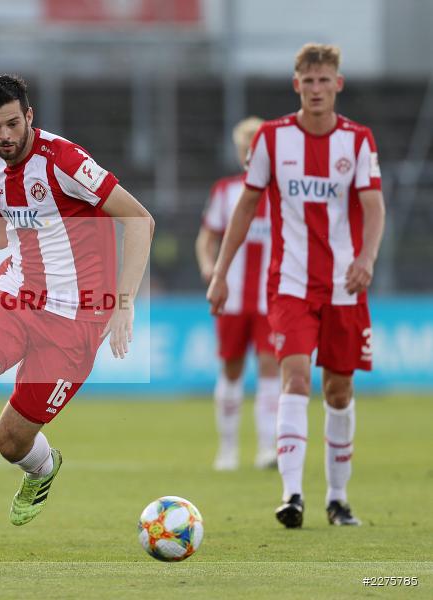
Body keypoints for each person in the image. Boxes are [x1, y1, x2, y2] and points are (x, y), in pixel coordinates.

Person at [0, 74, 154, 555]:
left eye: (13, 123)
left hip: (76, 319)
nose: (5, 136)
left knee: (11, 441)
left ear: (30, 117)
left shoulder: (65, 161)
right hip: (15, 294)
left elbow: (139, 218)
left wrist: (124, 303)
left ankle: (43, 467)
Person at [207, 44, 385, 528]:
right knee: (294, 379)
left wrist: (367, 258)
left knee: (339, 391)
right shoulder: (271, 138)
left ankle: (338, 497)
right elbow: (244, 208)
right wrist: (221, 272)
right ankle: (291, 495)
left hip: (346, 285)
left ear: (338, 84)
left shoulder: (358, 141)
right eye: (308, 81)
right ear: (296, 85)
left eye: (325, 80)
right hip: (289, 285)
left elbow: (373, 207)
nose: (316, 89)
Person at [195, 117, 279, 471]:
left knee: (270, 367)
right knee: (231, 369)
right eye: (244, 148)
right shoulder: (226, 191)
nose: (249, 154)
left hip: (272, 297)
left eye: (255, 148)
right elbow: (207, 237)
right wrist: (208, 266)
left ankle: (267, 449)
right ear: (239, 150)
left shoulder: (282, 192)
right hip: (232, 298)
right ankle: (227, 450)